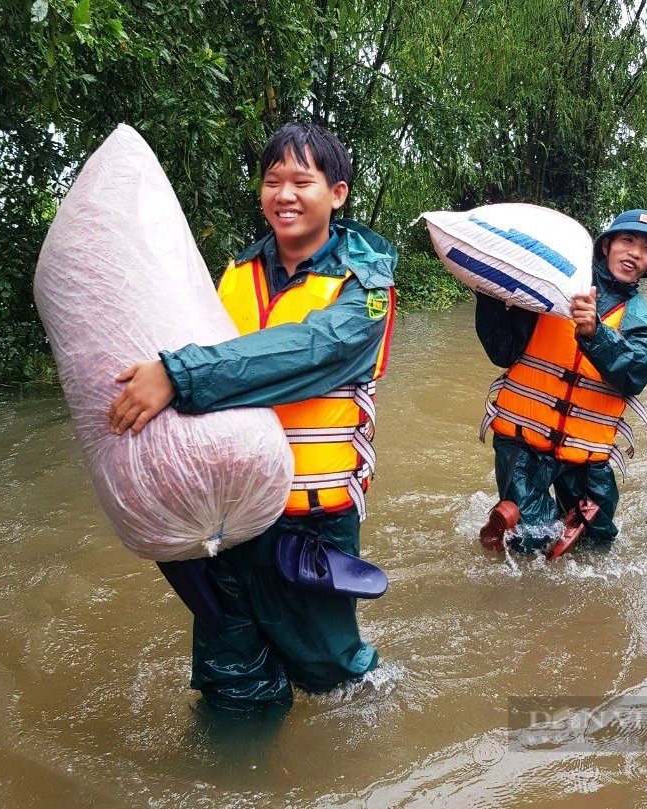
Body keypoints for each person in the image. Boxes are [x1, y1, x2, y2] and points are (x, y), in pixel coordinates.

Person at [107, 122, 397, 713]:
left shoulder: (368, 287)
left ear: (337, 194)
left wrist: (178, 375)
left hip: (306, 524)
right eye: (272, 181)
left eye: (301, 181)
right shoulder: (235, 274)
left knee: (334, 682)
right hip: (222, 520)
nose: (284, 195)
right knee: (230, 680)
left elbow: (311, 351)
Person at [475, 209, 647, 554]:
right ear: (607, 245)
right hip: (523, 441)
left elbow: (635, 374)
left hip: (586, 454)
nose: (634, 253)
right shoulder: (551, 289)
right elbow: (503, 351)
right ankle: (511, 524)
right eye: (627, 241)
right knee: (534, 542)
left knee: (597, 543)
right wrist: (488, 296)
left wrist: (596, 334)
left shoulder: (644, 322)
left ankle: (514, 523)